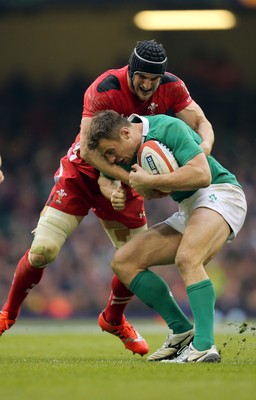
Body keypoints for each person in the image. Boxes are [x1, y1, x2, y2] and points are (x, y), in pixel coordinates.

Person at [0, 39, 213, 358]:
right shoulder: (105, 88)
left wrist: (205, 147)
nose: (147, 84)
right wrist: (129, 180)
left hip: (128, 178)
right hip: (83, 175)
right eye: (141, 76)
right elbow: (89, 149)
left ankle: (113, 319)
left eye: (153, 79)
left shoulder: (171, 86)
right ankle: (8, 313)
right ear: (131, 69)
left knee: (135, 260)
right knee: (43, 250)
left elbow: (200, 121)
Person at [87, 110, 247, 363]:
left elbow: (202, 176)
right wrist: (114, 191)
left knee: (188, 257)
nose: (112, 158)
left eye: (111, 151)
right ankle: (181, 331)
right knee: (124, 261)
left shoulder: (168, 128)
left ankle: (204, 346)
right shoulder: (125, 151)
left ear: (126, 132)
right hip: (189, 207)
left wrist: (151, 181)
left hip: (221, 193)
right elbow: (108, 180)